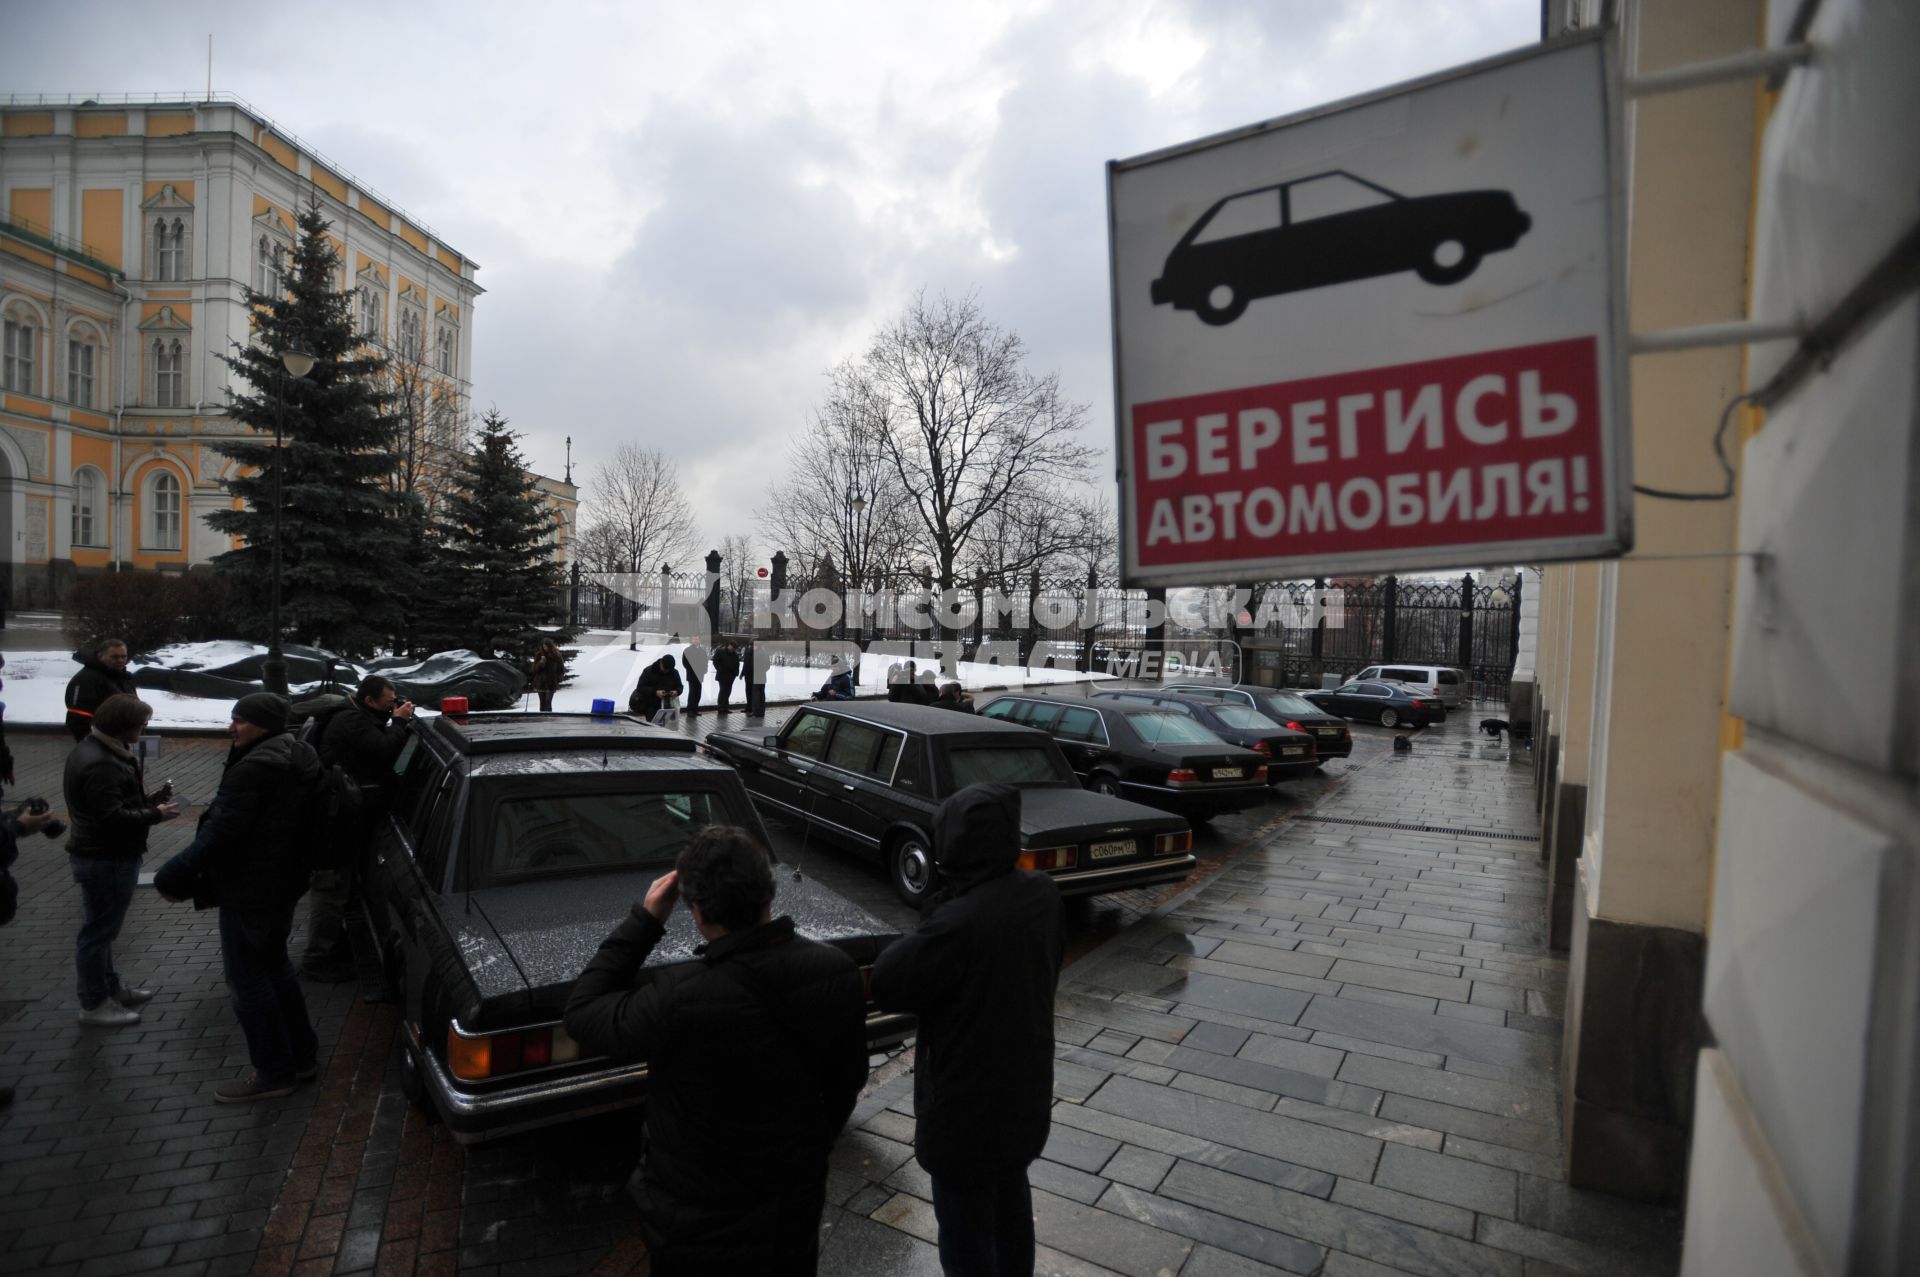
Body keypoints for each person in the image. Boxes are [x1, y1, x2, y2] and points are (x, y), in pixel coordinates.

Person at [564, 826, 867, 1275]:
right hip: (789, 1211)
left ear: (698, 911)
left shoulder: (677, 998)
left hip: (695, 1226)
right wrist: (808, 1149)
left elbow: (583, 1010)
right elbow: (846, 1081)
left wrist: (645, 920)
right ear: (768, 893)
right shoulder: (837, 972)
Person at [871, 784, 1064, 1277]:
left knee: (965, 1234)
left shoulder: (959, 922)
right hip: (1023, 1093)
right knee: (1011, 1209)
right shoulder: (1042, 894)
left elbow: (890, 979)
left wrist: (938, 908)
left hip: (964, 1110)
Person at [155, 693, 323, 1103]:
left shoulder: (257, 768)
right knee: (275, 968)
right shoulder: (296, 754)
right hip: (281, 883)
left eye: (239, 721)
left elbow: (222, 833)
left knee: (247, 981)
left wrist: (172, 874)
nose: (232, 728)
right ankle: (302, 1057)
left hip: (252, 889)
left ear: (263, 724)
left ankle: (273, 1071)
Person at [63, 693, 183, 1027]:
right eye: (141, 724)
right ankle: (93, 1002)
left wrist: (149, 802)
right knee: (98, 932)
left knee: (103, 928)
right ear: (123, 725)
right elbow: (110, 817)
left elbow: (113, 803)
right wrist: (155, 814)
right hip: (106, 857)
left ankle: (109, 988)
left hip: (102, 854)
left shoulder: (99, 750)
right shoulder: (102, 761)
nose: (144, 729)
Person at [300, 675, 415, 982]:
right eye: (388, 703)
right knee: (332, 887)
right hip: (334, 819)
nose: (392, 706)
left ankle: (332, 947)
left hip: (342, 814)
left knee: (340, 885)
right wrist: (400, 722)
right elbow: (383, 750)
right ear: (369, 701)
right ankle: (317, 959)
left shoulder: (356, 715)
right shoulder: (352, 721)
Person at [63, 637, 136, 742]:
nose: (120, 660)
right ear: (100, 656)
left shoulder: (123, 677)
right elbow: (78, 718)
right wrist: (93, 744)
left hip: (122, 739)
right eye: (114, 657)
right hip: (101, 742)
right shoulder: (85, 679)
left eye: (123, 657)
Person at [629, 655, 684, 724]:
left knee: (667, 729)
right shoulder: (649, 671)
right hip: (652, 706)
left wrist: (677, 691)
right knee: (653, 727)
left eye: (668, 670)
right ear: (661, 663)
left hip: (668, 706)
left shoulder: (674, 672)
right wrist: (655, 692)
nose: (666, 671)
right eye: (665, 669)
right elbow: (640, 687)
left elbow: (680, 686)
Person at [528, 638, 566, 712]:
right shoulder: (539, 655)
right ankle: (542, 719)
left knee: (548, 701)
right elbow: (534, 670)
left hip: (551, 682)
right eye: (544, 646)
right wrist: (540, 664)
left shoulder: (556, 655)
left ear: (550, 646)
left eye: (546, 646)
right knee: (542, 702)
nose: (545, 648)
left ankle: (549, 718)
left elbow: (561, 669)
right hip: (541, 682)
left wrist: (558, 678)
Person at [711, 641, 741, 713]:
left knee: (728, 691)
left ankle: (725, 707)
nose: (732, 649)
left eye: (734, 649)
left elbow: (737, 664)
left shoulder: (735, 654)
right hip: (722, 675)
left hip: (731, 676)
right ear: (729, 645)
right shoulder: (720, 651)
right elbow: (715, 661)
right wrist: (720, 669)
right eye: (732, 647)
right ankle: (720, 707)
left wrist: (736, 673)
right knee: (722, 691)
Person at [681, 637, 709, 716]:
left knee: (698, 693)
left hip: (700, 675)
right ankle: (690, 710)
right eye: (694, 639)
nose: (696, 640)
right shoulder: (687, 650)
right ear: (691, 640)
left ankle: (695, 709)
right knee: (692, 693)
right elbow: (685, 662)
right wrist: (692, 670)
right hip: (692, 675)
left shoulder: (702, 651)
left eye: (697, 639)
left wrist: (704, 670)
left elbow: (705, 661)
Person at [742, 639, 766, 717]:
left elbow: (765, 665)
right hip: (751, 676)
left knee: (757, 695)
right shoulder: (750, 652)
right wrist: (743, 673)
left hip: (757, 676)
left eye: (753, 645)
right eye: (751, 645)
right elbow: (746, 663)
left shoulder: (759, 653)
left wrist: (758, 670)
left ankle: (757, 711)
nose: (751, 647)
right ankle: (755, 710)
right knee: (755, 694)